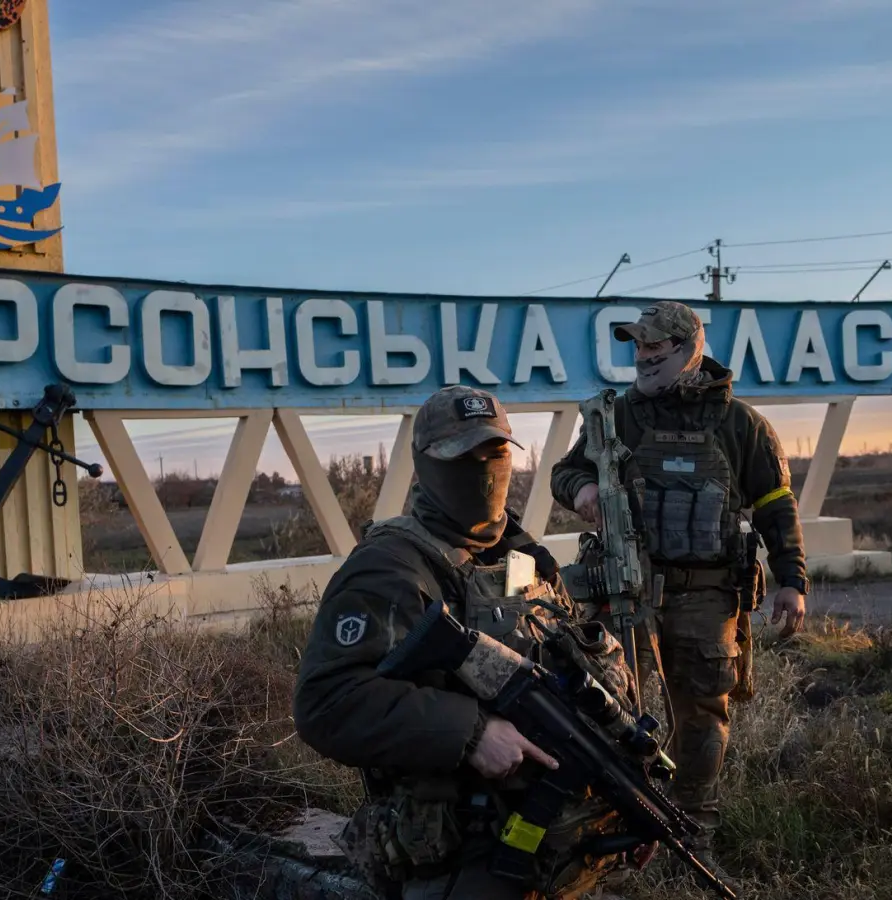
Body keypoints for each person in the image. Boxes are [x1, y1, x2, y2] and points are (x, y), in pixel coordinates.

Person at [293, 385, 639, 900]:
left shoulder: (526, 559)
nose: (484, 466)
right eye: (464, 454)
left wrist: (627, 802)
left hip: (559, 850)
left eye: (495, 451)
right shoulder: (392, 567)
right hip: (465, 858)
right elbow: (327, 702)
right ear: (427, 464)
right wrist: (471, 732)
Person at [549, 300, 810, 879]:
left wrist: (791, 580)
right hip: (625, 591)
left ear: (690, 348)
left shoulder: (741, 425)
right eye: (636, 348)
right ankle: (616, 838)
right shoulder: (616, 417)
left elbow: (776, 506)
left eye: (655, 348)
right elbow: (563, 473)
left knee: (701, 717)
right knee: (615, 712)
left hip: (707, 594)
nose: (642, 358)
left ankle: (693, 839)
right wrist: (583, 490)